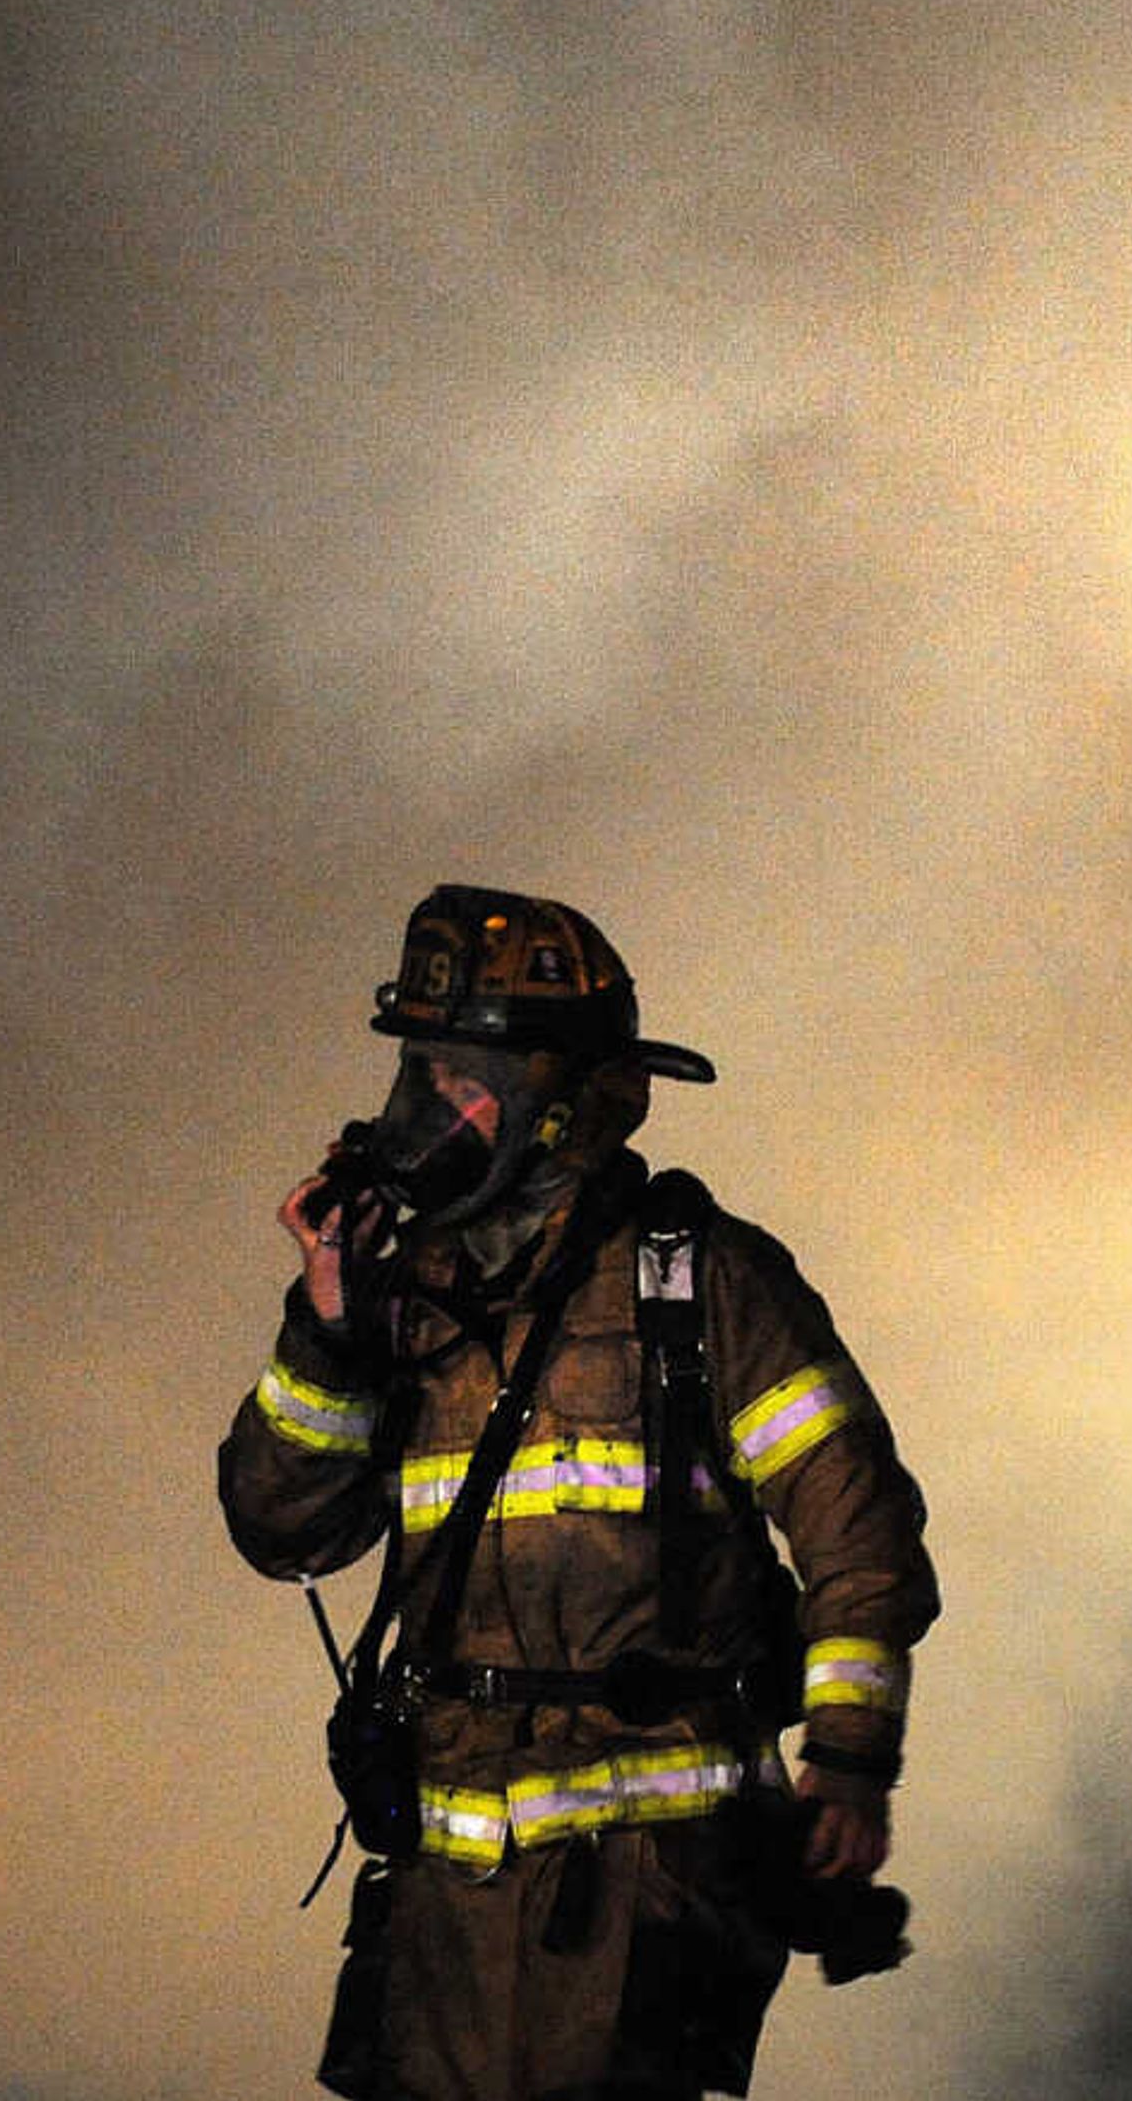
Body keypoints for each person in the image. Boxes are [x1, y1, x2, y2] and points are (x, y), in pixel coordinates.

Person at [221, 884, 939, 2101]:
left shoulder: (701, 1285)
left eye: (463, 1078)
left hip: (645, 1889)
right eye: (421, 1071)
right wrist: (330, 1325)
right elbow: (283, 1529)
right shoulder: (403, 1294)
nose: (426, 1108)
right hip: (447, 1901)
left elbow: (855, 1522)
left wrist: (852, 1757)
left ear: (559, 1108)